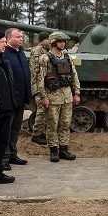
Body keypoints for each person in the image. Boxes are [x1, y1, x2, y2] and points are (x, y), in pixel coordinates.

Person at [37, 31, 80, 162]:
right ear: (53, 42)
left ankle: (64, 149)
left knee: (65, 124)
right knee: (52, 124)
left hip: (67, 96)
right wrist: (43, 97)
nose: (63, 43)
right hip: (52, 96)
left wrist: (76, 93)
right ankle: (53, 150)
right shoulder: (45, 58)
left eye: (64, 41)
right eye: (60, 41)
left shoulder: (67, 57)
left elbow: (74, 76)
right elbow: (40, 79)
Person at [2, 28, 31, 170]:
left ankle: (13, 154)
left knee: (15, 129)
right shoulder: (4, 54)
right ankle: (4, 158)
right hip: (9, 99)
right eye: (18, 37)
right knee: (6, 130)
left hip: (21, 98)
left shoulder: (21, 53)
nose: (21, 39)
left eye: (21, 37)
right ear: (8, 38)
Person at [0, 30, 17, 184]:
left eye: (5, 41)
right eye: (1, 41)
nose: (5, 44)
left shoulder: (4, 61)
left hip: (7, 110)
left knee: (2, 143)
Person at [30, 32, 50, 145]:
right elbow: (37, 71)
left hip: (42, 84)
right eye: (48, 39)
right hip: (38, 84)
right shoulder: (38, 51)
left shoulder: (44, 50)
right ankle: (36, 135)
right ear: (44, 40)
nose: (50, 42)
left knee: (44, 110)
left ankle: (41, 132)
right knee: (41, 110)